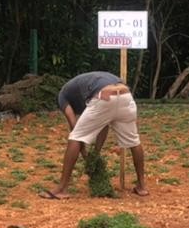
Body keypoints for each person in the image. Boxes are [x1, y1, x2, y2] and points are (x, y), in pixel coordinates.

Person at [40, 71, 148, 199]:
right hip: (126, 95)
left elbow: (74, 126)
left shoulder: (62, 96)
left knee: (75, 137)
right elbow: (103, 124)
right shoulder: (87, 86)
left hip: (104, 95)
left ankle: (61, 188)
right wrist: (96, 153)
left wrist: (86, 155)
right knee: (134, 141)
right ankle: (141, 186)